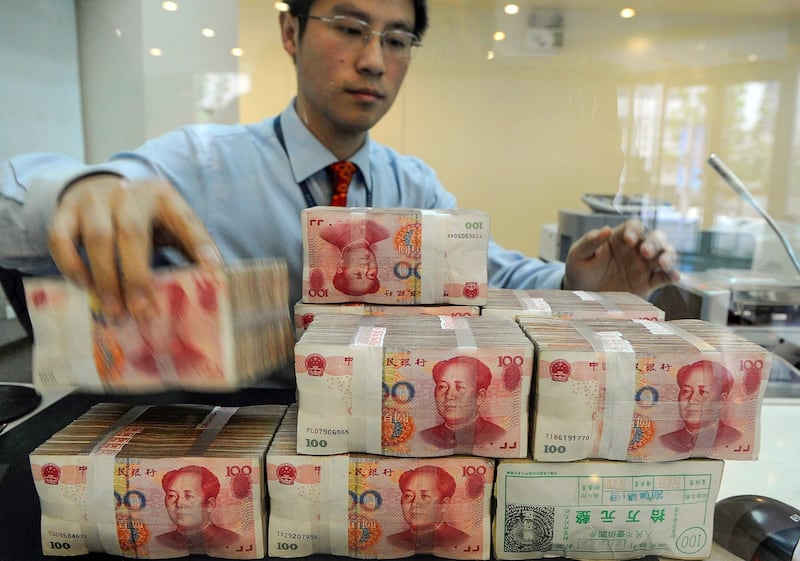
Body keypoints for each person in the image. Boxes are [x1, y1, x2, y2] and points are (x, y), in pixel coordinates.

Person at [0, 0, 679, 331]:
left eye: (397, 39)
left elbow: (492, 272)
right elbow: (13, 201)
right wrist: (84, 189)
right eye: (351, 28)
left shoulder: (414, 187)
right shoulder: (198, 163)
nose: (375, 60)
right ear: (291, 33)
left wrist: (576, 278)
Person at [419, 355, 506, 448]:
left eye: (459, 387)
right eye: (442, 387)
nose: (448, 396)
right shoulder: (423, 437)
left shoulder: (498, 436)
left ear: (480, 397)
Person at [659, 359, 743, 453]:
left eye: (703, 392)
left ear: (722, 399)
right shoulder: (664, 441)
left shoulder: (734, 439)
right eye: (686, 391)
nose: (692, 400)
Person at [156, 465, 242, 554]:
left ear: (210, 505)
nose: (179, 503)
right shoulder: (159, 542)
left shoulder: (233, 541)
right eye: (172, 496)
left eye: (189, 496)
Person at [386, 465, 470, 551]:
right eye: (408, 495)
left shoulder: (462, 540)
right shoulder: (391, 541)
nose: (415, 503)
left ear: (444, 505)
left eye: (425, 496)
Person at [317, 218, 390, 296]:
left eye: (357, 274)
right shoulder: (384, 233)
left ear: (341, 265)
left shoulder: (327, 232)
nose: (366, 268)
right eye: (371, 275)